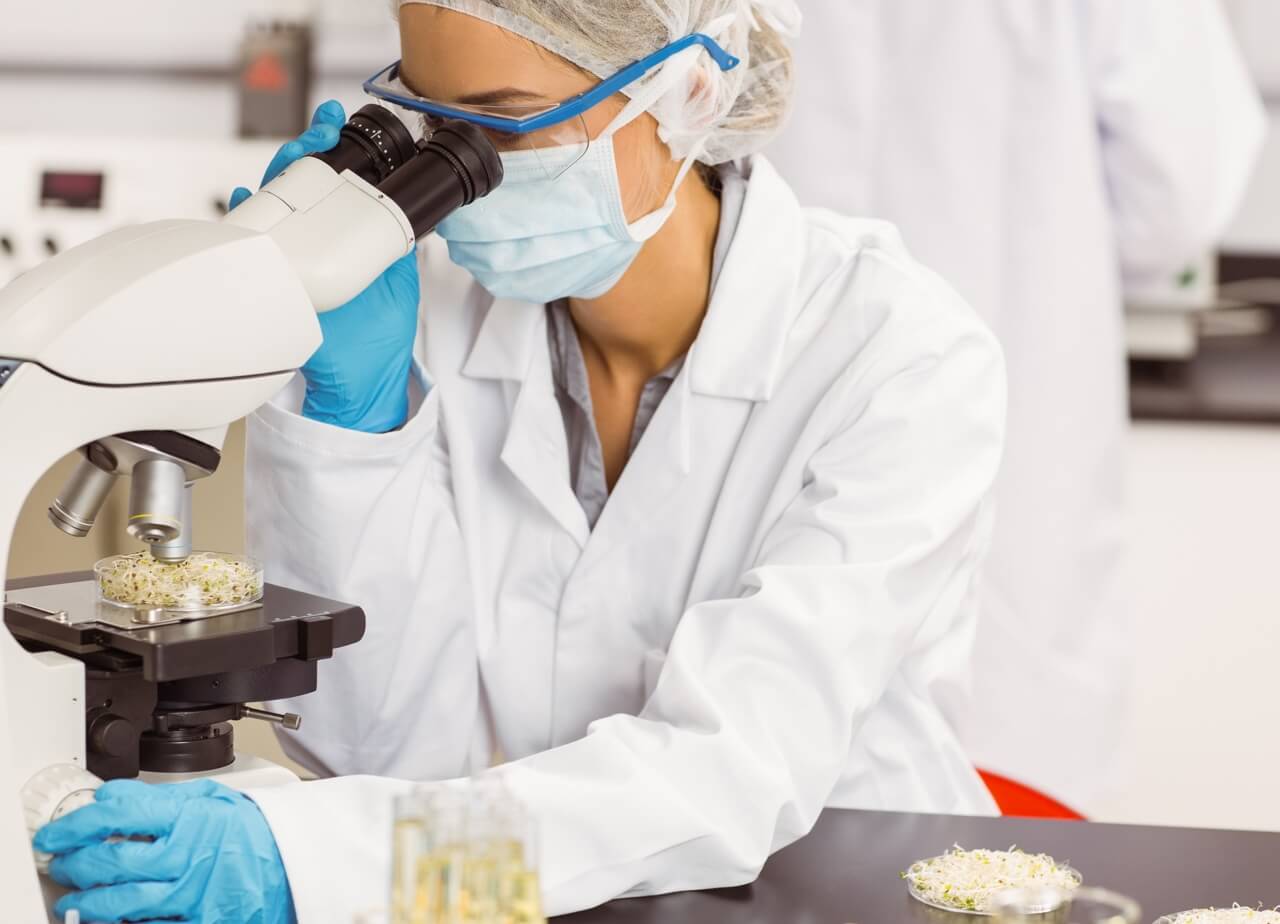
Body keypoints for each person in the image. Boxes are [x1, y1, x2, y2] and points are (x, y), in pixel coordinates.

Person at [34, 1, 1008, 920]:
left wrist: (305, 861)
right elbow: (403, 756)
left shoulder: (897, 357)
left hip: (845, 893)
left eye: (504, 122)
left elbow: (729, 780)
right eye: (432, 122)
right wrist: (358, 427)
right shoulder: (440, 319)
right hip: (533, 892)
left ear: (688, 91)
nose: (471, 175)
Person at [767, 0, 1265, 812]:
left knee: (758, 778)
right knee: (1006, 855)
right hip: (1017, 403)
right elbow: (1175, 196)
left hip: (770, 402)